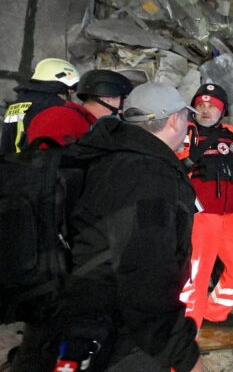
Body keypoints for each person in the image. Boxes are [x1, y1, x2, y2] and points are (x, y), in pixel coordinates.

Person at [11, 82, 203, 371]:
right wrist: (185, 355)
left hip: (58, 317)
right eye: (186, 118)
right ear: (175, 119)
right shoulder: (148, 176)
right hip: (110, 334)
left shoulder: (101, 152)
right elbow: (146, 281)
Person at [179, 83, 233, 328]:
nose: (205, 110)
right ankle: (187, 329)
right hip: (201, 219)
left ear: (222, 110)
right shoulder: (183, 133)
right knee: (196, 277)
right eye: (201, 104)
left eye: (212, 106)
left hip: (231, 217)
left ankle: (213, 312)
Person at [25, 69, 133, 147]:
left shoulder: (89, 122)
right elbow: (45, 164)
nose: (126, 105)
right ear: (108, 98)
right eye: (124, 99)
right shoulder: (60, 117)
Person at [1, 58, 79, 153]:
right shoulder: (56, 107)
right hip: (35, 165)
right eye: (70, 91)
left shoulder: (18, 103)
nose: (69, 96)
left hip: (10, 164)